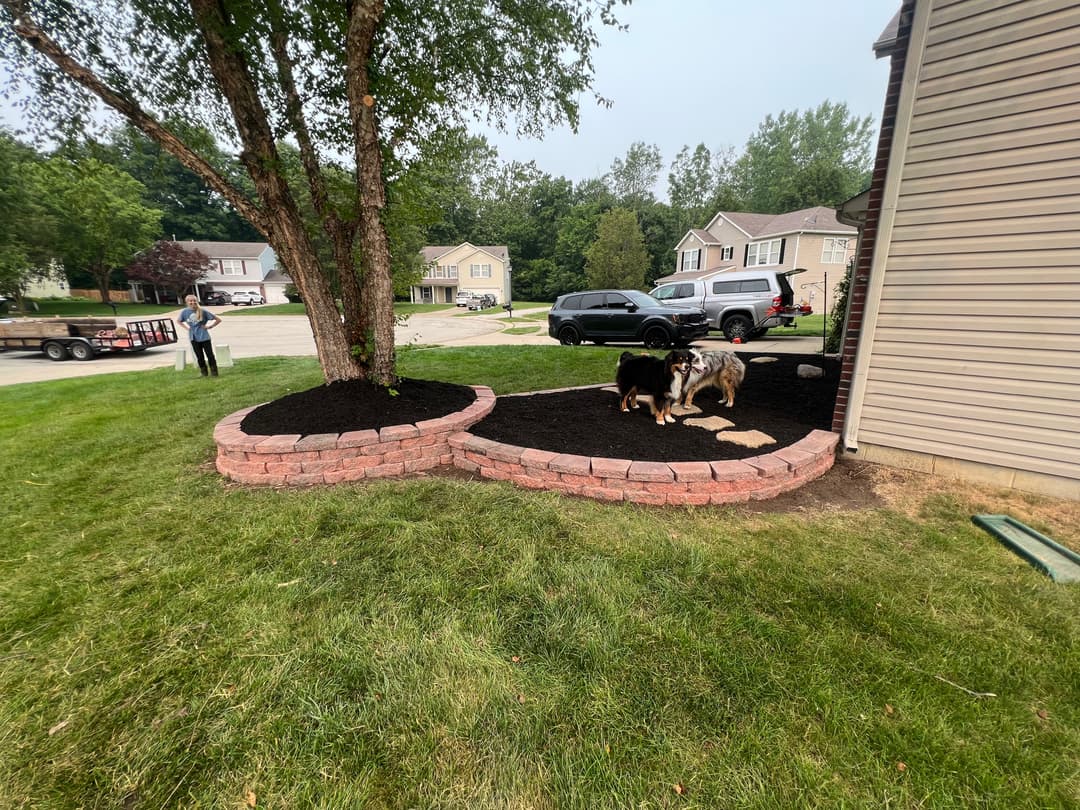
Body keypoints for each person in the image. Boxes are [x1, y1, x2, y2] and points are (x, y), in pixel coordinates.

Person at [177, 294, 222, 377]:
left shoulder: (202, 311)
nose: (192, 302)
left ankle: (214, 372)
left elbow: (218, 319)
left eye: (194, 300)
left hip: (204, 337)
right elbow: (179, 321)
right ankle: (204, 372)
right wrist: (187, 328)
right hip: (193, 338)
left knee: (210, 355)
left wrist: (209, 326)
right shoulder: (184, 312)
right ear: (187, 302)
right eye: (190, 301)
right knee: (199, 356)